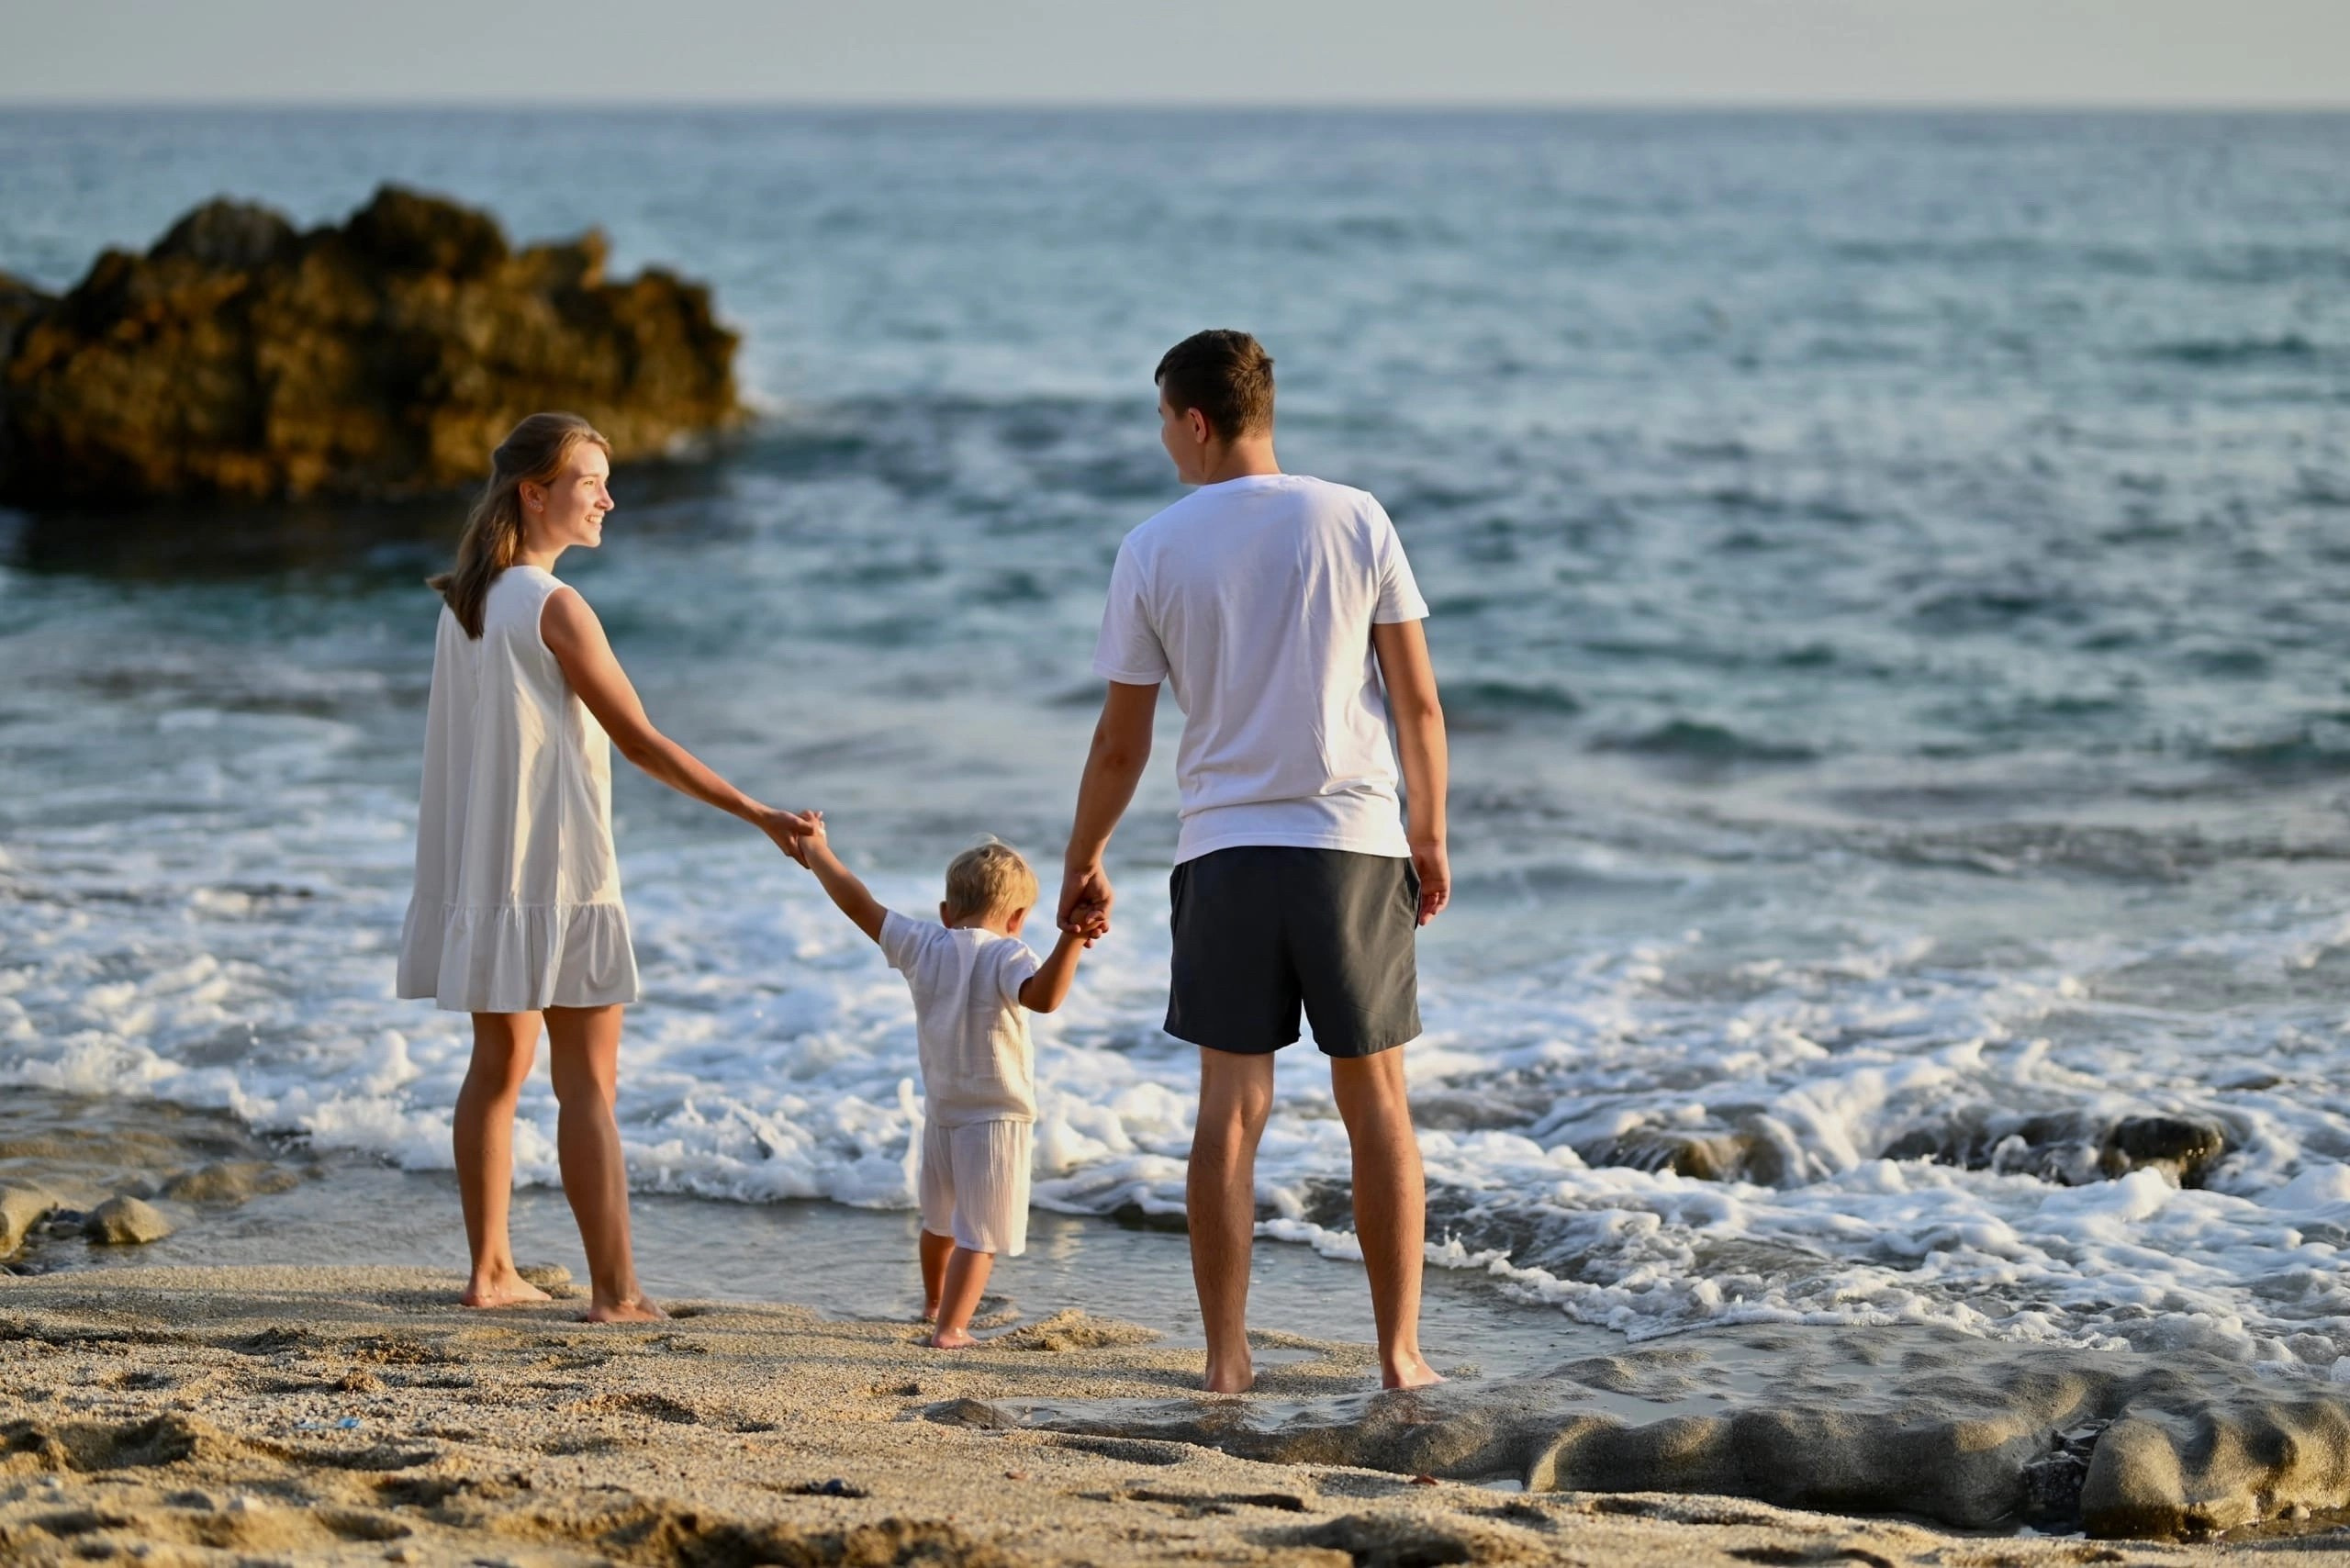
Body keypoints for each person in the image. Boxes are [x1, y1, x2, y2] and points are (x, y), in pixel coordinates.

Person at [1058, 330, 1450, 1392]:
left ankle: (1227, 1360)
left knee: (1229, 1112)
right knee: (1377, 1106)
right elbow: (1415, 700)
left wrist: (1083, 859)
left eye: (1161, 423)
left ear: (1194, 419)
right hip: (1351, 849)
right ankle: (1399, 1355)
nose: (1162, 444)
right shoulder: (1356, 515)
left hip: (1224, 853)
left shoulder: (1152, 545)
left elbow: (1120, 742)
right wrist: (1429, 832)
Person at [397, 411, 815, 1323]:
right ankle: (617, 1292)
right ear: (533, 491)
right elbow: (641, 742)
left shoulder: (466, 601)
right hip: (559, 872)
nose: (607, 498)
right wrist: (758, 812)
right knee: (587, 1084)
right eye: (589, 480)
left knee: (495, 1068)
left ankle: (490, 1270)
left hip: (486, 873)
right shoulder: (552, 604)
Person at [793, 823, 1104, 1346]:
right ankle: (951, 1329)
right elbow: (1044, 999)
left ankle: (934, 1302)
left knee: (940, 1223)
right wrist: (1070, 942)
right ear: (1018, 919)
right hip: (996, 1115)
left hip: (941, 1110)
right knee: (979, 1237)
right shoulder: (1010, 954)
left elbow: (856, 901)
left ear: (945, 911)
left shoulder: (922, 944)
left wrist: (818, 850)